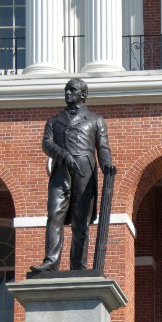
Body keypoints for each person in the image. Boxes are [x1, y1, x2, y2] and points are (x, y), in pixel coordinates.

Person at [31, 78, 116, 273]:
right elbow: (47, 143)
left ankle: (78, 265)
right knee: (54, 215)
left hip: (84, 170)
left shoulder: (96, 119)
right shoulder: (53, 121)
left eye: (72, 90)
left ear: (83, 95)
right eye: (66, 90)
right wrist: (63, 155)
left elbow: (102, 147)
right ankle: (51, 262)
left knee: (81, 220)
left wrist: (107, 165)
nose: (68, 93)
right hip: (61, 171)